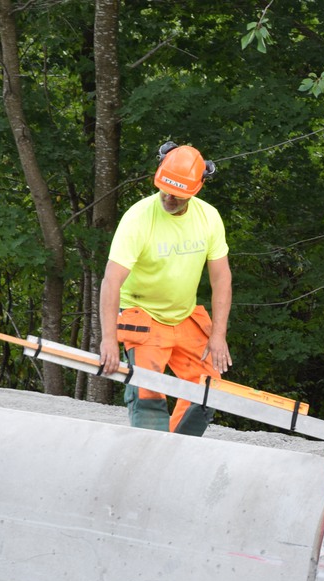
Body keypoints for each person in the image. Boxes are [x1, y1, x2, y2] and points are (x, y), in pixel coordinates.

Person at [98, 142, 233, 436]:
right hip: (144, 316)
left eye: (179, 195)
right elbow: (111, 281)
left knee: (207, 391)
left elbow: (221, 278)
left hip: (185, 317)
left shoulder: (208, 217)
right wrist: (109, 339)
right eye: (165, 190)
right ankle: (148, 455)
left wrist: (219, 334)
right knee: (147, 395)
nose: (170, 198)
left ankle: (175, 451)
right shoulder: (138, 218)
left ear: (197, 189)